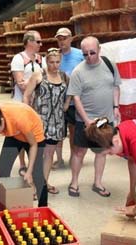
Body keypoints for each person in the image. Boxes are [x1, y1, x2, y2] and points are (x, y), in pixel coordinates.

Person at [66, 36, 121, 197]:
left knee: (102, 151)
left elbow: (116, 87)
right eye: (85, 54)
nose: (89, 57)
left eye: (92, 53)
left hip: (105, 120)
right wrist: (86, 120)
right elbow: (75, 98)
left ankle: (98, 182)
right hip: (85, 120)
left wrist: (116, 107)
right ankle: (74, 182)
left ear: (99, 50)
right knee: (79, 152)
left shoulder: (110, 65)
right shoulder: (78, 72)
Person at [0, 102, 48, 206]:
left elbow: (33, 145)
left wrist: (29, 172)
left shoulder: (20, 119)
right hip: (15, 135)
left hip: (34, 137)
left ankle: (43, 207)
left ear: (2, 121)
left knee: (37, 174)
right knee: (2, 170)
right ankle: (3, 202)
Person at [23, 47, 70, 195]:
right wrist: (28, 114)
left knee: (50, 153)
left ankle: (43, 183)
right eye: (51, 62)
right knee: (37, 153)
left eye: (57, 62)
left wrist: (66, 104)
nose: (54, 65)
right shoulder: (39, 75)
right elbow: (26, 95)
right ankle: (33, 185)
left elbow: (71, 91)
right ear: (46, 61)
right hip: (40, 121)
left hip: (57, 122)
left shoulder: (64, 76)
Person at [10, 30, 43, 177]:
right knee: (21, 134)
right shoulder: (18, 59)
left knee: (34, 134)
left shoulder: (41, 59)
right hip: (21, 104)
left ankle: (33, 164)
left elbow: (45, 79)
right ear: (29, 42)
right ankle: (22, 164)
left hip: (37, 104)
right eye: (38, 41)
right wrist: (36, 82)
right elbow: (21, 84)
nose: (40, 44)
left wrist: (32, 83)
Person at [52, 27, 84, 170]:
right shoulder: (55, 56)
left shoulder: (79, 54)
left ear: (71, 38)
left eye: (64, 38)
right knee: (58, 132)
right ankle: (59, 159)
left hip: (74, 101)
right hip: (58, 101)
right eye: (59, 38)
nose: (62, 41)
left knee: (73, 130)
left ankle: (73, 157)